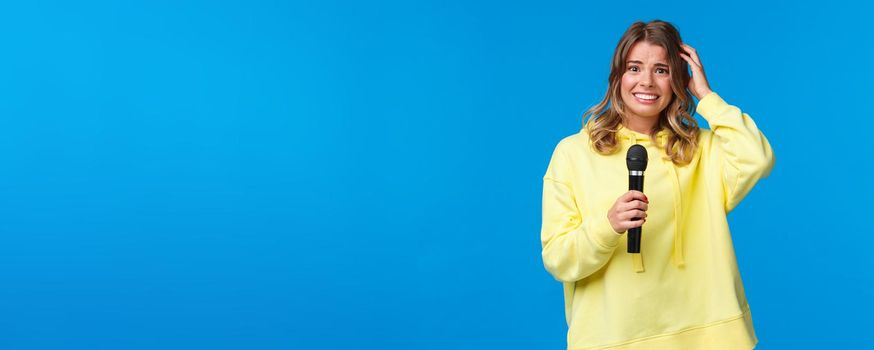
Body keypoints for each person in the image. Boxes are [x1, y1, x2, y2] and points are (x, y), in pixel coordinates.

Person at [540, 20, 774, 349]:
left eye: (662, 70)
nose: (646, 81)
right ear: (617, 76)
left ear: (678, 78)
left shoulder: (701, 149)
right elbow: (559, 258)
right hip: (614, 338)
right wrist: (607, 226)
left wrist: (706, 96)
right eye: (634, 68)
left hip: (709, 335)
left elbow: (757, 157)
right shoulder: (573, 154)